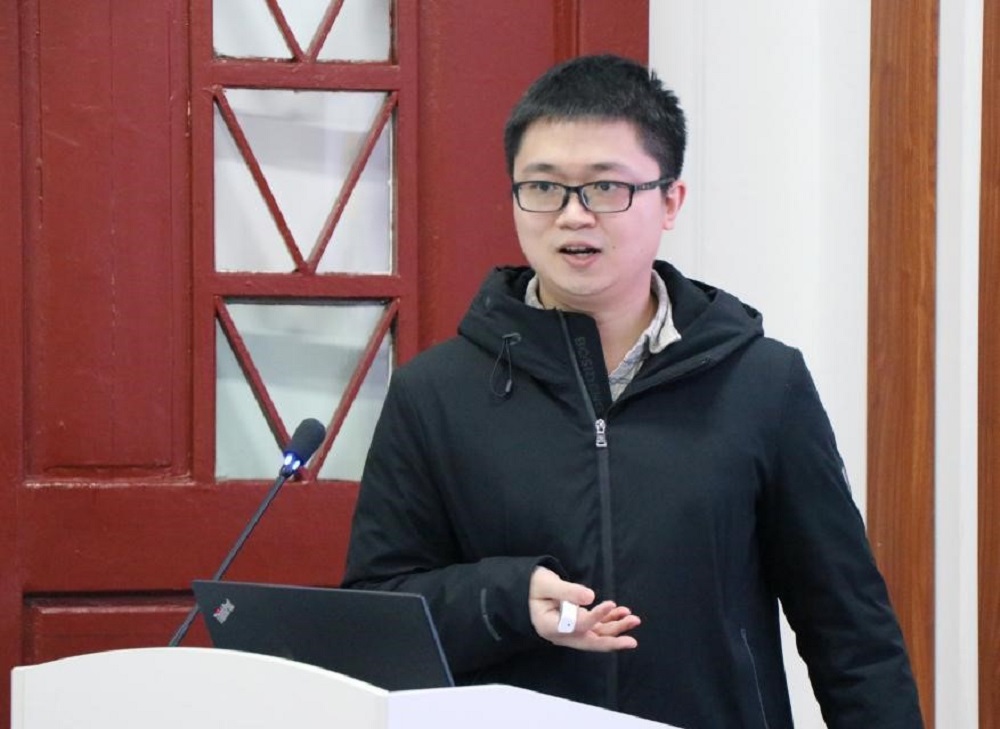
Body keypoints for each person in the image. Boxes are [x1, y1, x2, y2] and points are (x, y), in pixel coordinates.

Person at [342, 54, 923, 728]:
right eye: (543, 186)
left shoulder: (763, 384)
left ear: (670, 201)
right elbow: (377, 613)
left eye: (606, 187)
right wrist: (504, 598)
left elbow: (849, 626)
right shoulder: (435, 393)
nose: (573, 215)